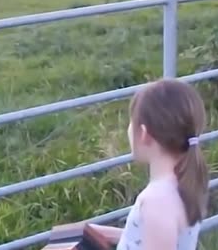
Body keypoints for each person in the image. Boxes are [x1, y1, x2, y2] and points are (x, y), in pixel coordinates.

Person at [90, 79, 209, 250]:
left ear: (144, 134)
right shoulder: (183, 182)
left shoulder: (157, 201)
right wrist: (97, 233)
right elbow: (158, 236)